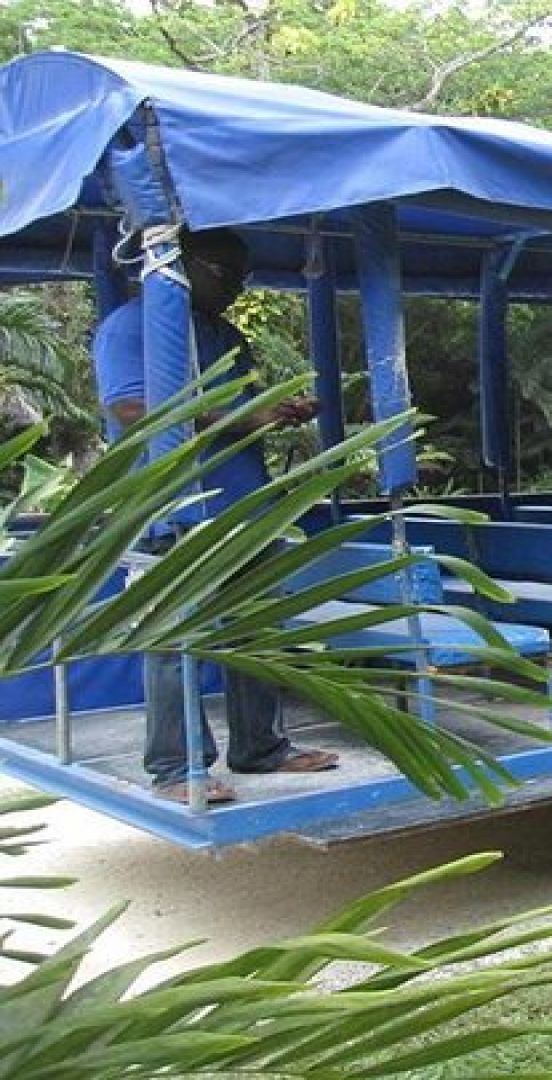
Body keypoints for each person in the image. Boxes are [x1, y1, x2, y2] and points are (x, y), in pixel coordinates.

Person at [92, 227, 337, 804]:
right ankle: (177, 768)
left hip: (244, 509)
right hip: (173, 510)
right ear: (184, 265)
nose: (236, 289)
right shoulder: (131, 326)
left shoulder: (225, 334)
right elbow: (132, 409)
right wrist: (248, 418)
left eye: (242, 278)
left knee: (256, 630)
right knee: (175, 638)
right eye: (227, 275)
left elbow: (241, 410)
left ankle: (261, 747)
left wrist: (279, 410)